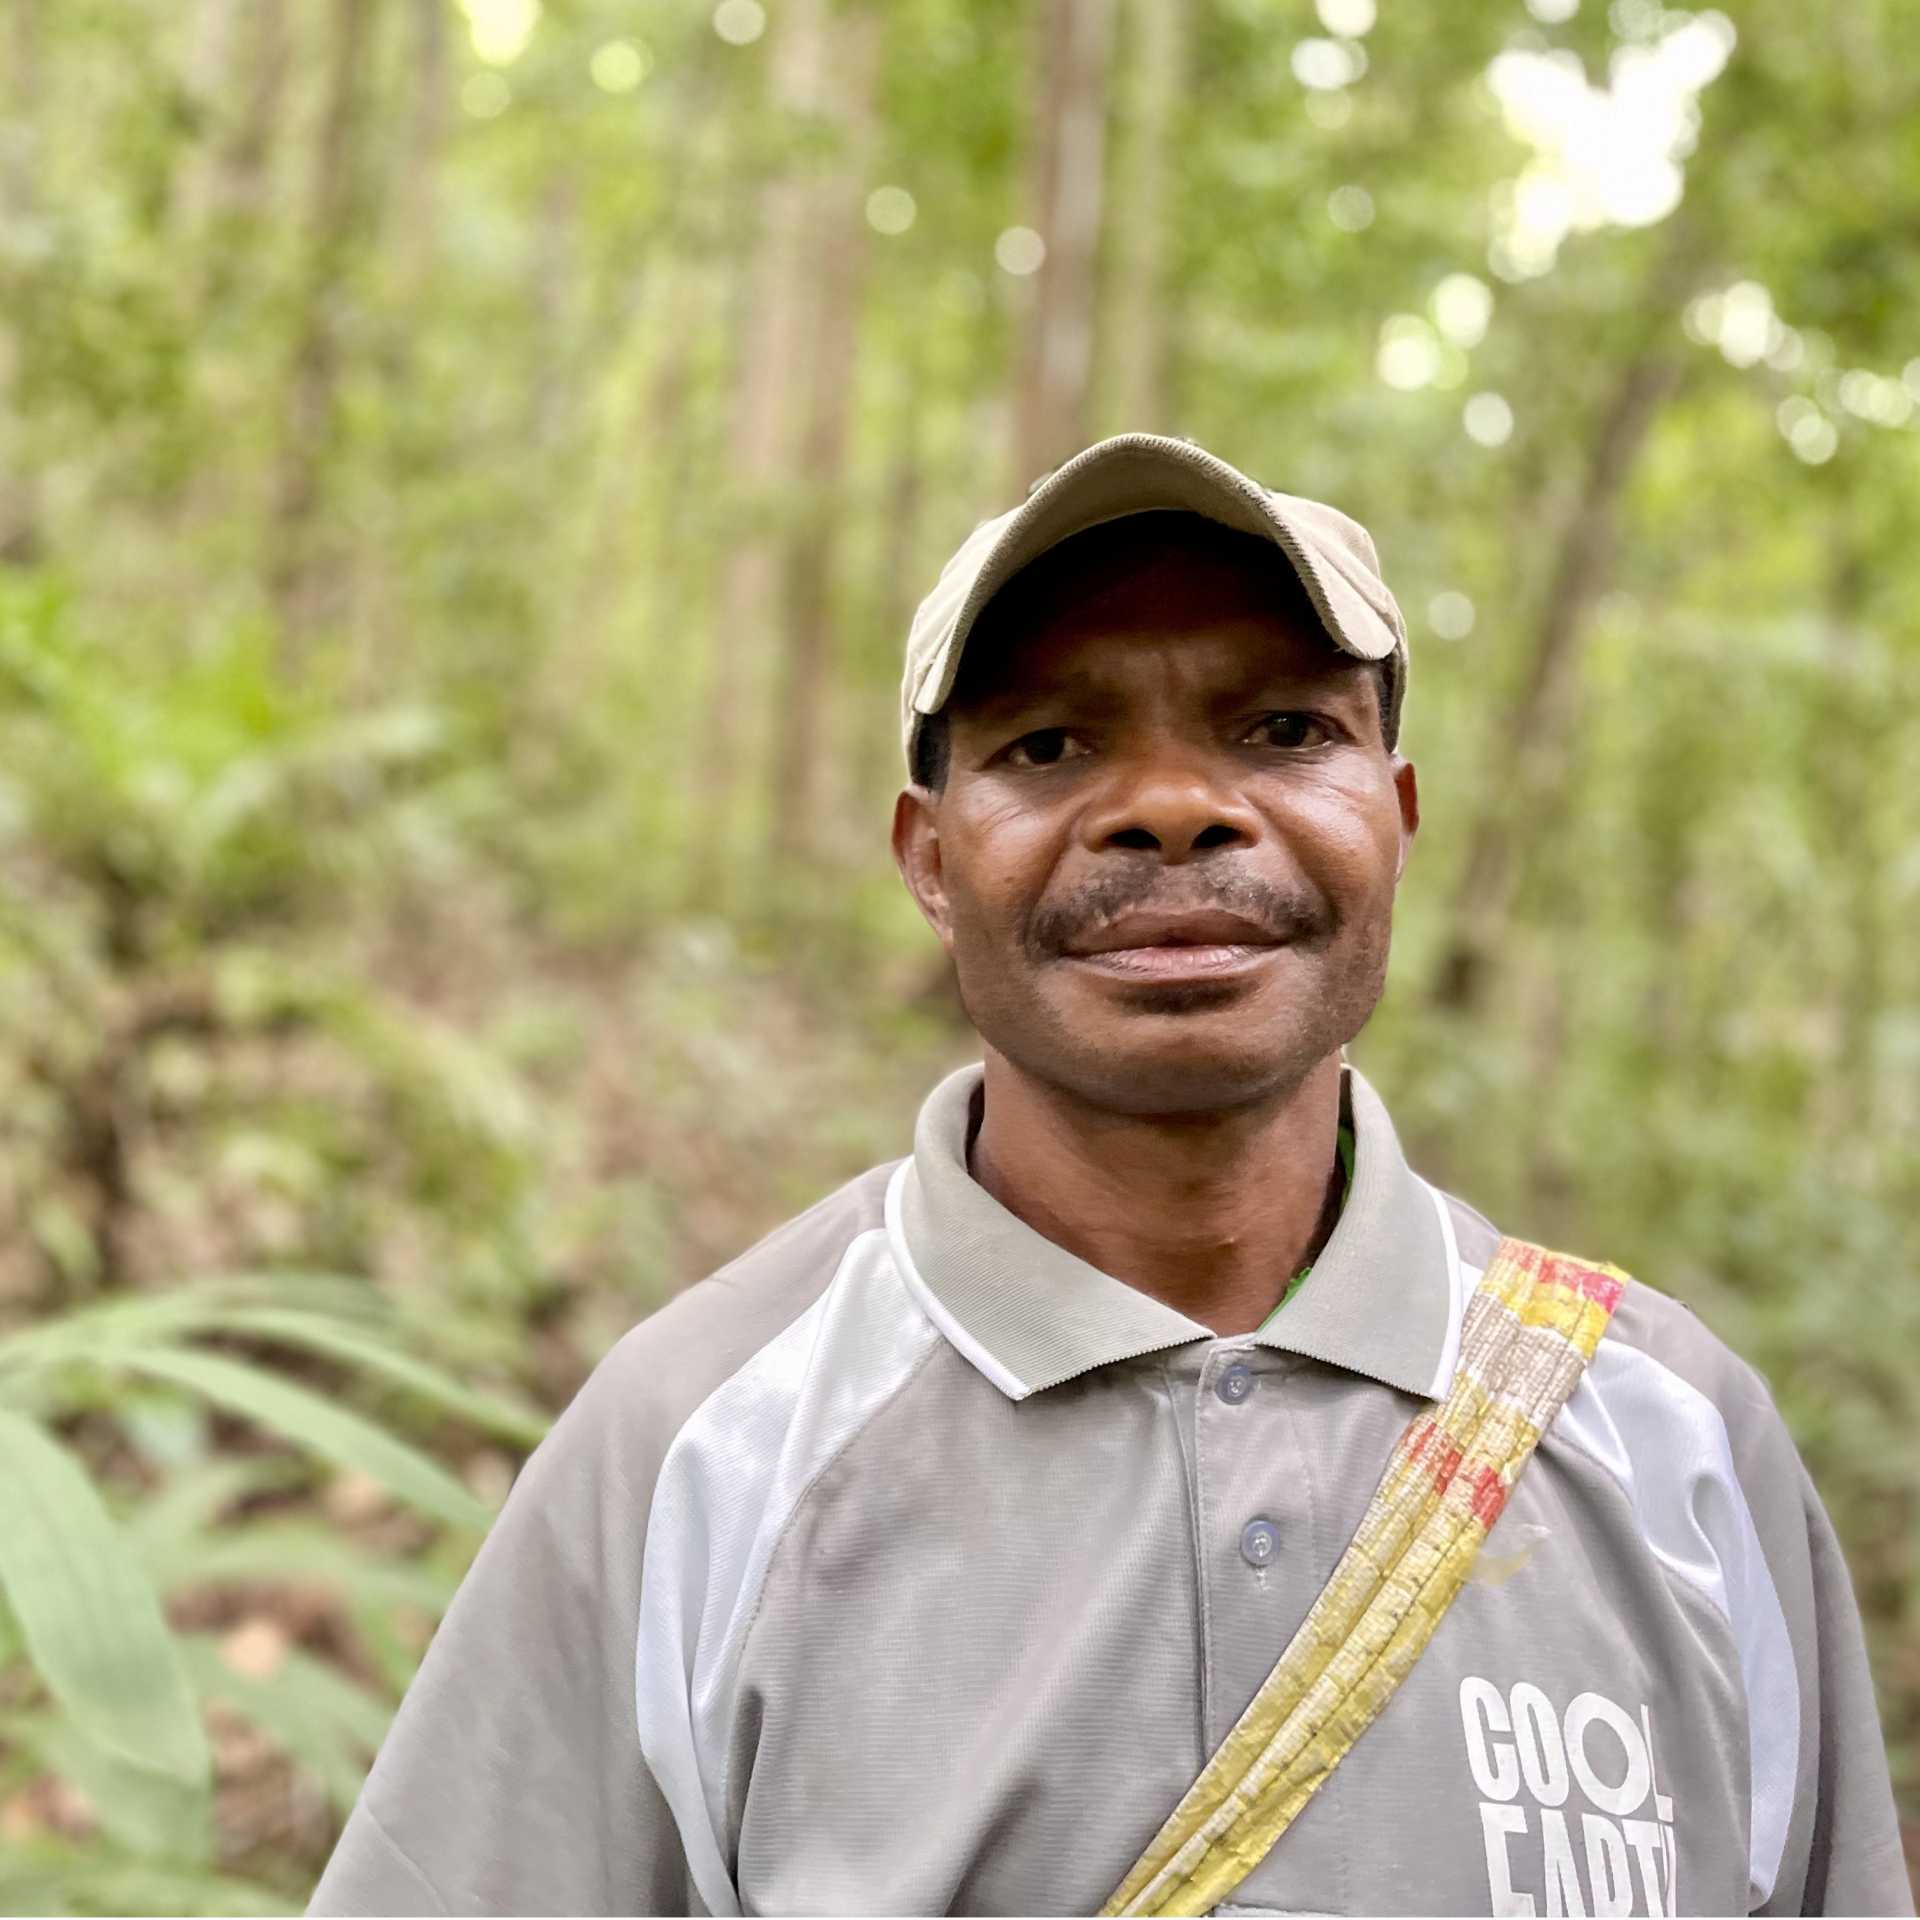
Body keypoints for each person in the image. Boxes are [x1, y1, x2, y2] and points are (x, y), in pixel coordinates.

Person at [309, 433, 1911, 1918]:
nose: (1170, 807)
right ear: (932, 860)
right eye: (1054, 741)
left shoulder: (1671, 1438)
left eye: (1284, 729)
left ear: (1398, 820)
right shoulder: (703, 1443)